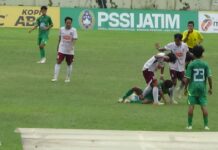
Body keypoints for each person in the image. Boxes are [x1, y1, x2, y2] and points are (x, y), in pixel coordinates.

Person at [155, 33, 190, 103]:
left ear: (181, 40)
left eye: (178, 41)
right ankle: (172, 98)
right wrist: (159, 48)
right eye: (175, 40)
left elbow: (188, 53)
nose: (176, 42)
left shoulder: (185, 46)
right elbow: (163, 49)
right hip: (173, 66)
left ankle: (179, 90)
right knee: (174, 82)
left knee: (185, 81)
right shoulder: (171, 45)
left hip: (181, 67)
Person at [184, 45, 212, 130]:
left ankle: (189, 125)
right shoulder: (205, 64)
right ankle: (206, 125)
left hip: (192, 88)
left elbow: (188, 78)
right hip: (202, 88)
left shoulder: (191, 64)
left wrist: (185, 88)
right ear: (202, 54)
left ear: (193, 54)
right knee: (204, 106)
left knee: (191, 106)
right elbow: (209, 77)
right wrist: (211, 88)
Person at [51, 17, 78, 82]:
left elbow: (74, 39)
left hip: (70, 50)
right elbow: (60, 38)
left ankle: (68, 78)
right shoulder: (61, 29)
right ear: (65, 23)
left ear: (71, 23)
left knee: (69, 63)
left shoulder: (74, 30)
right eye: (67, 23)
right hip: (62, 48)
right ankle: (55, 77)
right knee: (58, 61)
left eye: (70, 23)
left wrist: (72, 46)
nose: (68, 24)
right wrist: (58, 46)